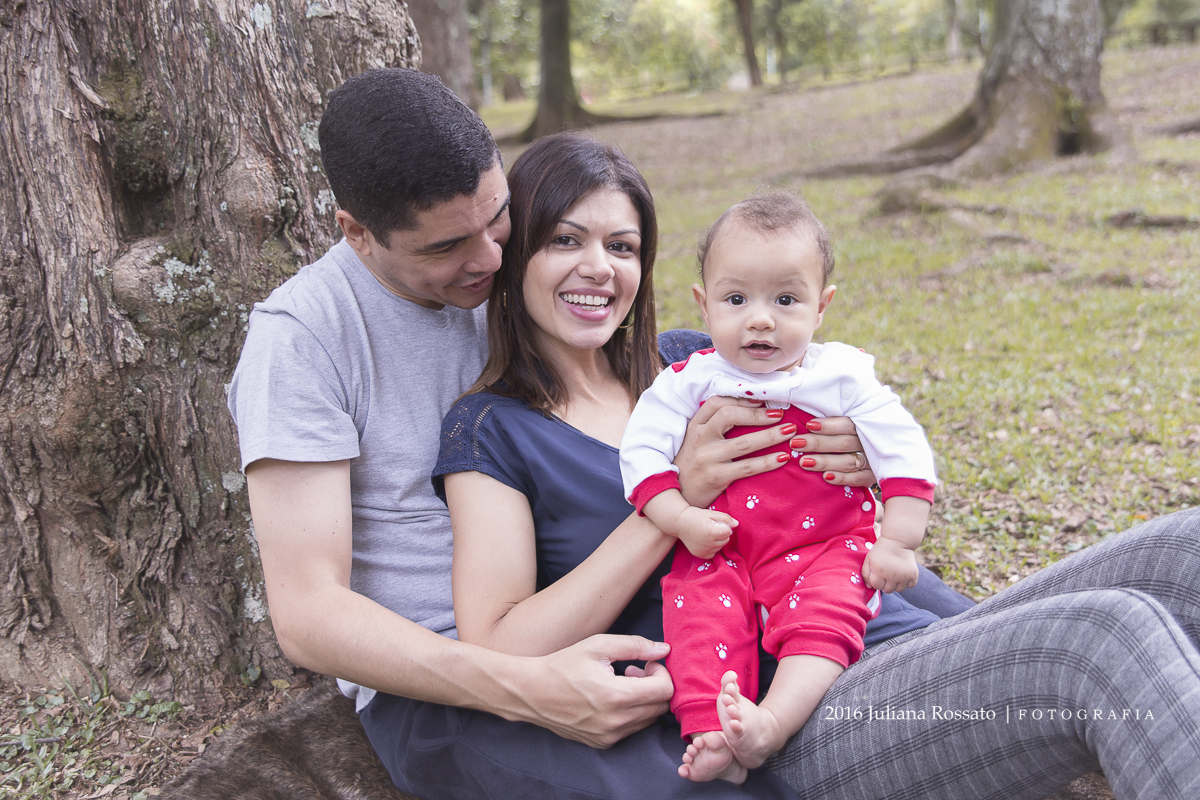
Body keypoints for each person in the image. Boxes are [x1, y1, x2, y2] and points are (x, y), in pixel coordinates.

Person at [439, 130, 1200, 799]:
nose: (598, 268)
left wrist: (865, 459)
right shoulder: (494, 431)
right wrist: (673, 507)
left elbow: (855, 455)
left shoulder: (695, 361)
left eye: (622, 246)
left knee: (1186, 548)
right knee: (1104, 637)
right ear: (517, 254)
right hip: (796, 711)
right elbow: (500, 646)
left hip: (895, 627)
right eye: (564, 240)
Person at [226, 69, 909, 799]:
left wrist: (860, 448)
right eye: (448, 246)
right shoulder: (304, 340)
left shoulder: (558, 304)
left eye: (500, 219)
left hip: (655, 612)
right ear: (358, 233)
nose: (490, 259)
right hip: (456, 678)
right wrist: (523, 688)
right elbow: (307, 614)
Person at [619, 191, 937, 783]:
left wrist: (898, 539)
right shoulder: (686, 380)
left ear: (821, 307)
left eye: (786, 300)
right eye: (737, 299)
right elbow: (640, 456)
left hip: (825, 545)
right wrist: (681, 518)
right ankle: (712, 732)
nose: (761, 319)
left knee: (825, 616)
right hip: (722, 546)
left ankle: (773, 722)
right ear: (704, 305)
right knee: (696, 615)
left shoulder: (840, 376)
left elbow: (902, 447)